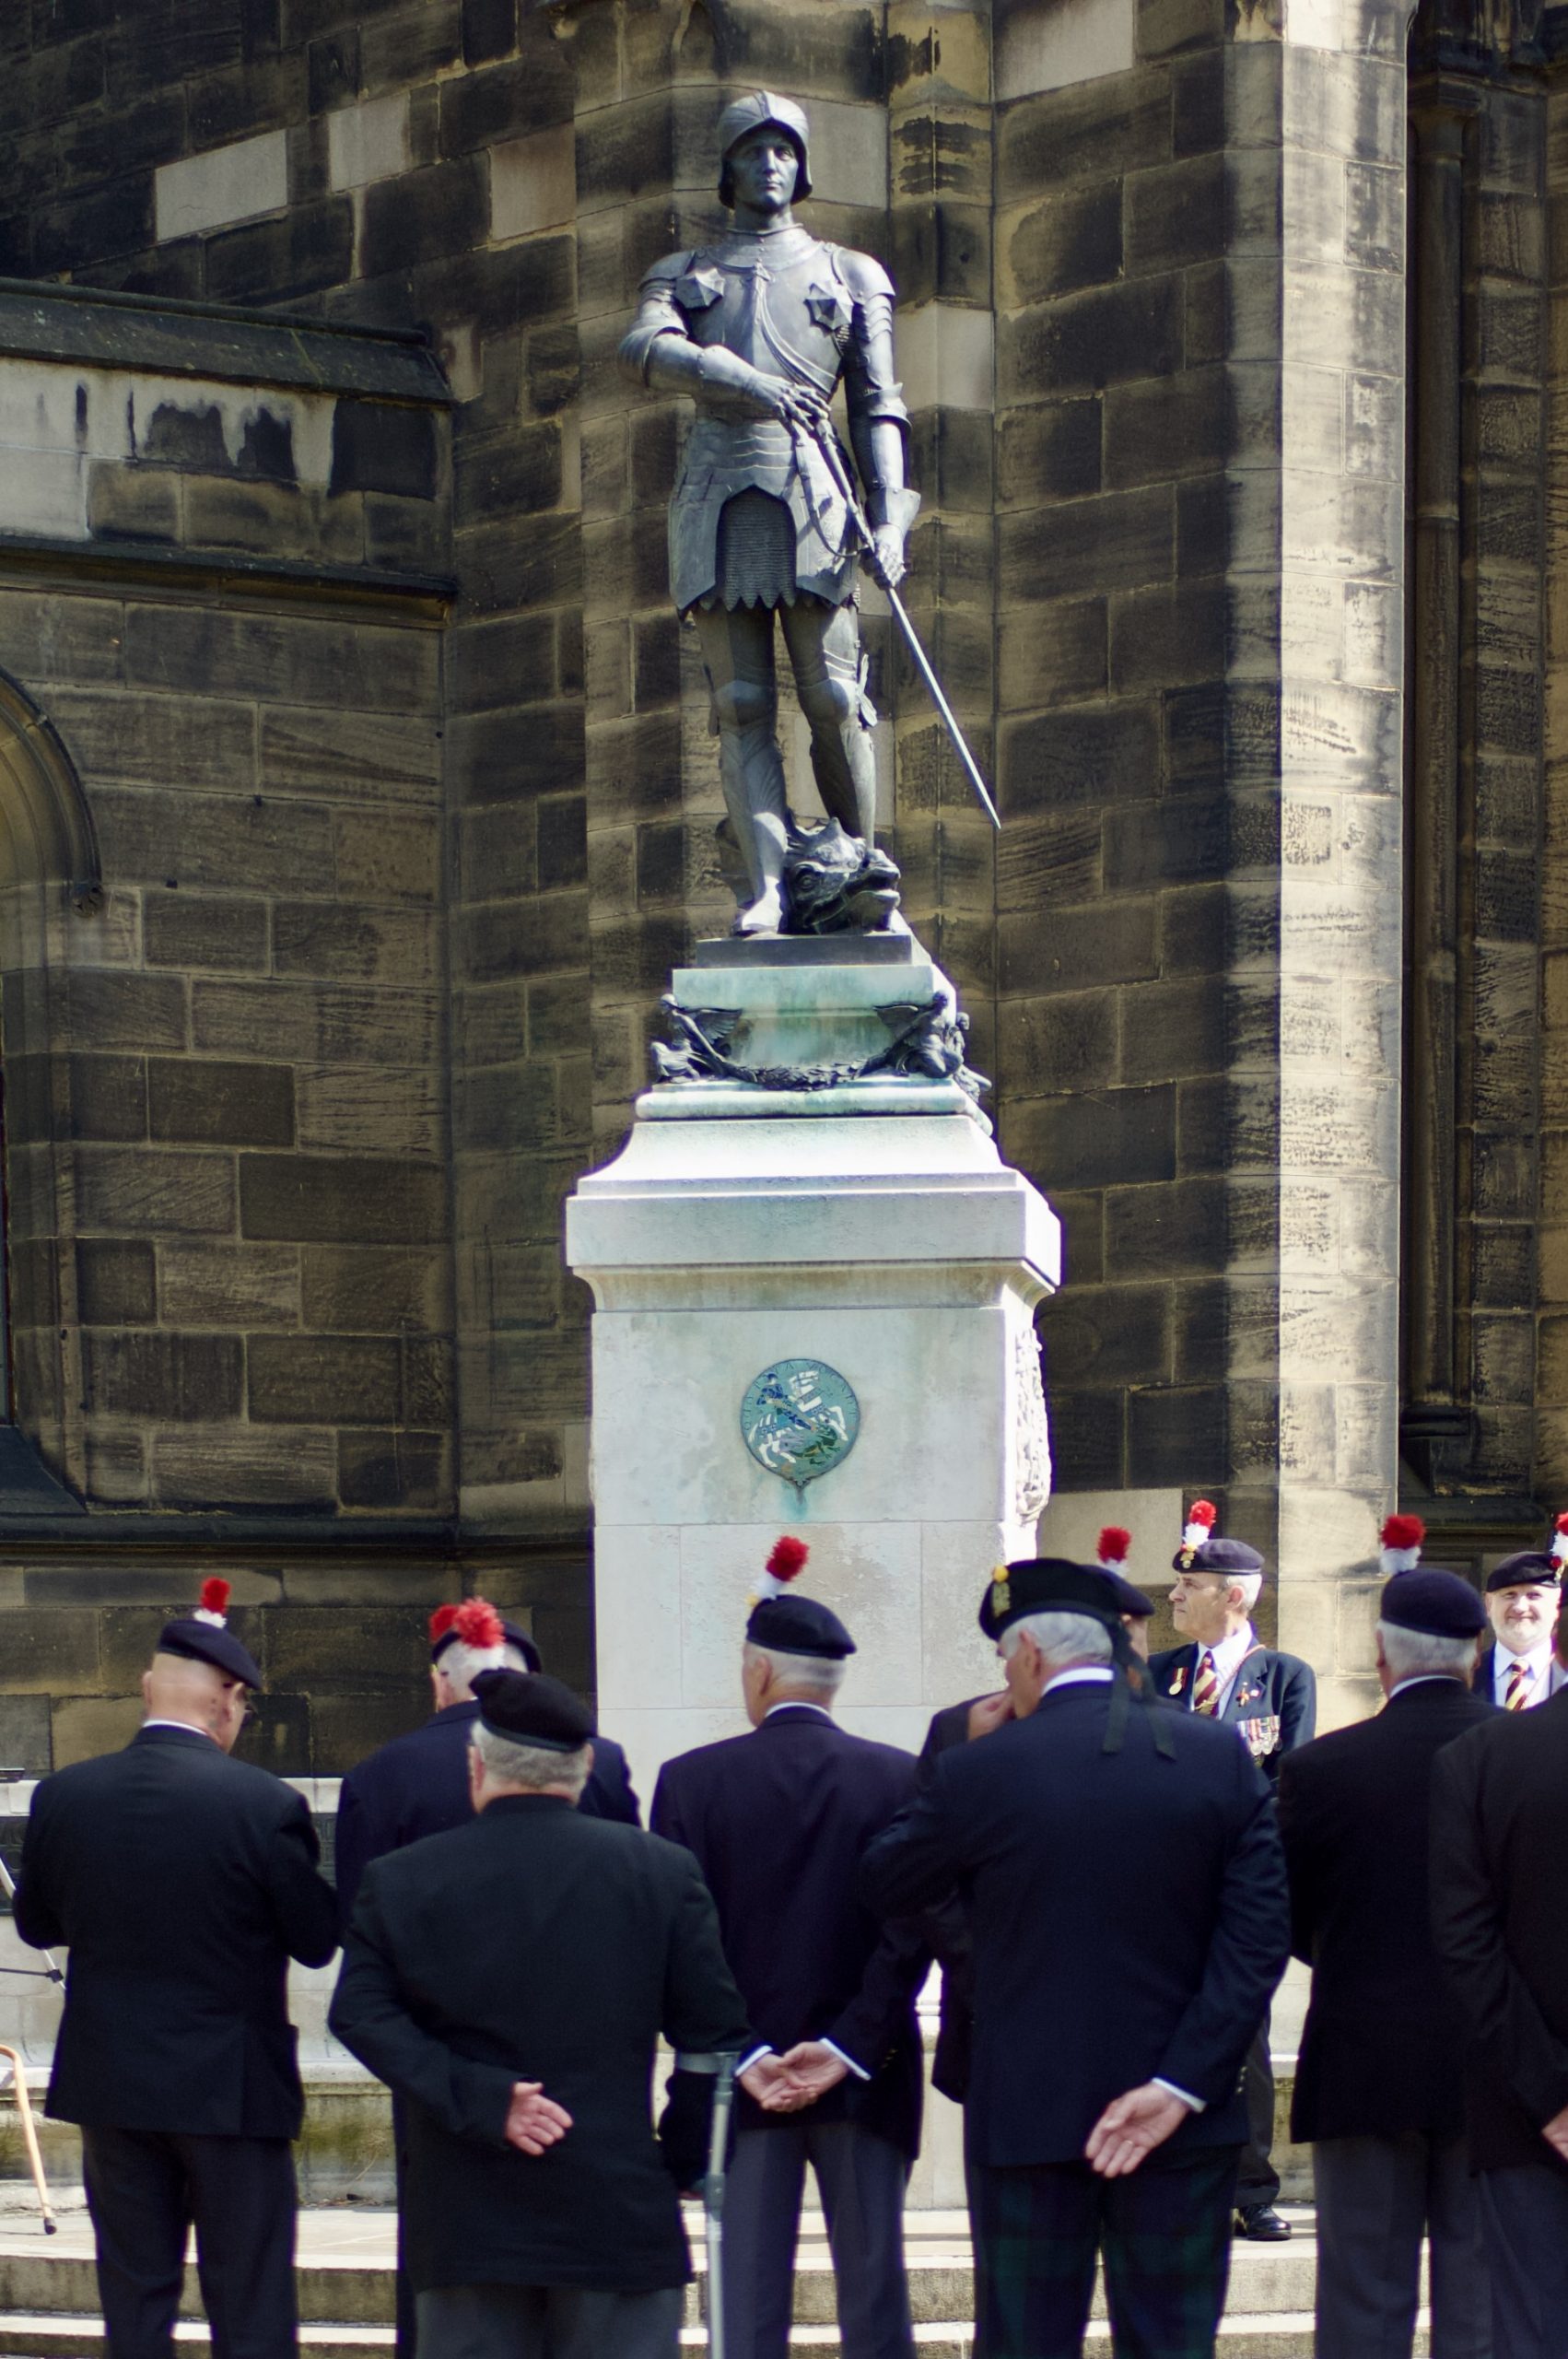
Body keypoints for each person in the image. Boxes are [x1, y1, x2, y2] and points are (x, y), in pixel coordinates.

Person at [863, 1557, 1290, 2359]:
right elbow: (1259, 1939)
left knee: (1025, 2343)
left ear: (1028, 1655)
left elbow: (887, 1879)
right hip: (1182, 2121)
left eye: (1005, 1661)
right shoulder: (1217, 1756)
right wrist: (1179, 2085)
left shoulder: (980, 1768)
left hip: (1028, 2112)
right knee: (1171, 2344)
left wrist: (960, 1768)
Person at [331, 1669, 764, 2359]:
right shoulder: (661, 1872)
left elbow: (360, 2014)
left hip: (468, 2223)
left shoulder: (404, 1878)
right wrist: (686, 2159)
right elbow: (711, 2040)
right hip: (616, 2208)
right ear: (585, 1766)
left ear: (476, 1766)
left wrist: (480, 2097)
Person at [619, 91, 918, 937]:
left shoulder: (851, 273)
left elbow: (879, 406)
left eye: (784, 149)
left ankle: (863, 868)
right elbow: (642, 347)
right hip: (717, 492)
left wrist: (890, 521)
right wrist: (742, 380)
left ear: (802, 163)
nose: (770, 164)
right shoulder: (685, 273)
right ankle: (768, 889)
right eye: (753, 150)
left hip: (815, 493)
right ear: (728, 167)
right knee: (742, 702)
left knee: (833, 696)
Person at [16, 1579, 338, 2359]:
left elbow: (35, 1925)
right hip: (231, 2089)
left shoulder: (66, 1795)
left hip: (114, 2086)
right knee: (250, 2304)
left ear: (146, 1688)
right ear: (228, 1699)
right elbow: (315, 1939)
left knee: (134, 2304)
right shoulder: (263, 1805)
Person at [333, 1595, 638, 2359]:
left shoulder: (380, 1775)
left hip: (442, 2073)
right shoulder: (601, 1762)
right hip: (583, 2071)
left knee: (448, 2280)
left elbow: (359, 1943)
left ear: (441, 1682)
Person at [650, 1537, 927, 2359]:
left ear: (761, 1671)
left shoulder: (691, 1781)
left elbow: (681, 1940)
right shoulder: (899, 1777)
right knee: (876, 2301)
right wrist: (847, 2046)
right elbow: (911, 1933)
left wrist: (744, 2050)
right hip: (867, 2074)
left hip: (744, 2084)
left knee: (744, 2306)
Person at [1277, 1520, 1494, 2359]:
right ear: (1475, 1655)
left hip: (1361, 2054)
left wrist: (1350, 1956)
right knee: (1478, 2303)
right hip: (1492, 2061)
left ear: (1382, 1657)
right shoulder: (1521, 1754)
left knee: (1362, 2302)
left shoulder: (1320, 1768)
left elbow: (1285, 1914)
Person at [918, 1527, 1155, 2106]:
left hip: (1139, 2030)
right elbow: (921, 1882)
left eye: (1135, 1635)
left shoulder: (1177, 1739)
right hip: (994, 2018)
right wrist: (989, 1967)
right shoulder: (963, 1729)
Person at [1148, 1497, 1316, 2240]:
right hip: (1166, 1887)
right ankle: (1172, 2179)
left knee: (1241, 2031)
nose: (1174, 1596)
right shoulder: (1158, 1674)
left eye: (1190, 1586)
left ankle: (1251, 2187)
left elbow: (1289, 1781)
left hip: (1240, 1886)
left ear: (1234, 1597)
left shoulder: (1283, 1677)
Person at [1432, 1619, 1568, 2359]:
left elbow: (1465, 1943)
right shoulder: (1480, 1756)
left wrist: (1549, 2095)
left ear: (1557, 1644)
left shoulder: (1480, 1757)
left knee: (1534, 2330)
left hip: (1524, 2110)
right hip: (1526, 2114)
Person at [1478, 1520, 1568, 1709]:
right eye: (1509, 1595)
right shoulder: (1465, 1677)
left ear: (1556, 1603)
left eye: (1534, 1596)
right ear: (1489, 1604)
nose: (1520, 1607)